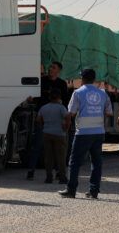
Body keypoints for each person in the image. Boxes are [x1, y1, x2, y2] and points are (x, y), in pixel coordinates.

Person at [59, 68, 113, 199]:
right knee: (96, 162)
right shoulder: (102, 93)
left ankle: (71, 190)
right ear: (94, 79)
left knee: (74, 162)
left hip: (83, 132)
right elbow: (109, 113)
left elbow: (71, 113)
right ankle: (94, 191)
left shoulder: (78, 92)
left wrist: (65, 125)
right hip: (98, 132)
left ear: (82, 79)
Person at [26, 61, 69, 180]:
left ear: (59, 71)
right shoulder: (42, 81)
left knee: (57, 149)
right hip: (43, 119)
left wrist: (65, 122)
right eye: (50, 67)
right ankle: (31, 171)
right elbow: (35, 96)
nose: (50, 69)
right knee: (38, 145)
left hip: (57, 121)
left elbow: (66, 102)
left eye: (53, 68)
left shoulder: (61, 84)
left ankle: (57, 173)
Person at [37, 90, 70, 184]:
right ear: (59, 98)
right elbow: (67, 117)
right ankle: (62, 177)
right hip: (59, 134)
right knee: (61, 157)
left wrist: (45, 123)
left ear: (49, 98)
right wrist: (66, 127)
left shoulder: (44, 108)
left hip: (47, 133)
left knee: (48, 156)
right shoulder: (61, 108)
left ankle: (48, 177)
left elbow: (38, 119)